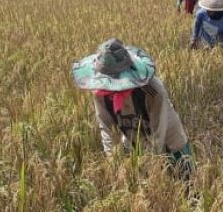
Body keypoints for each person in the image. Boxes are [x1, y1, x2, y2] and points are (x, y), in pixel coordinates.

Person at [71, 38, 193, 173]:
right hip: (133, 141)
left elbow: (158, 132)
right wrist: (113, 162)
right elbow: (106, 128)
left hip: (169, 141)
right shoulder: (101, 93)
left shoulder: (152, 91)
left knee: (185, 182)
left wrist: (149, 166)